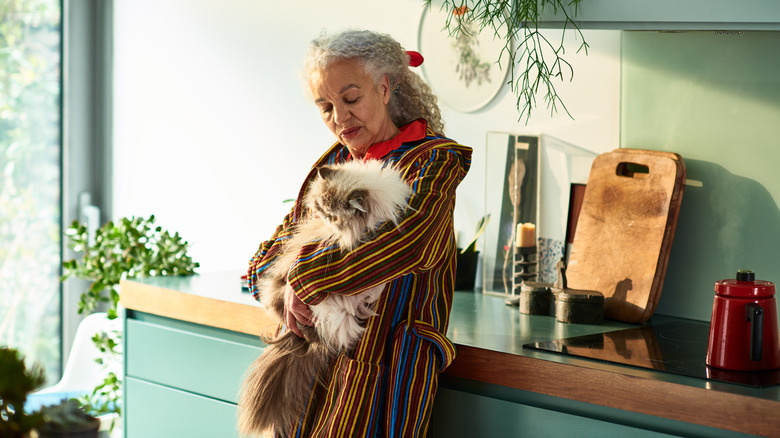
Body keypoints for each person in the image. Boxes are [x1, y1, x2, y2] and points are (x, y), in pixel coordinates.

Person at [247, 29, 472, 437]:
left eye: (351, 100)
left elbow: (405, 242)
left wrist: (304, 276)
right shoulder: (332, 163)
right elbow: (267, 258)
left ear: (384, 87)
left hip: (386, 368)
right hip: (309, 375)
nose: (340, 118)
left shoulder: (435, 160)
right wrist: (280, 284)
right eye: (325, 107)